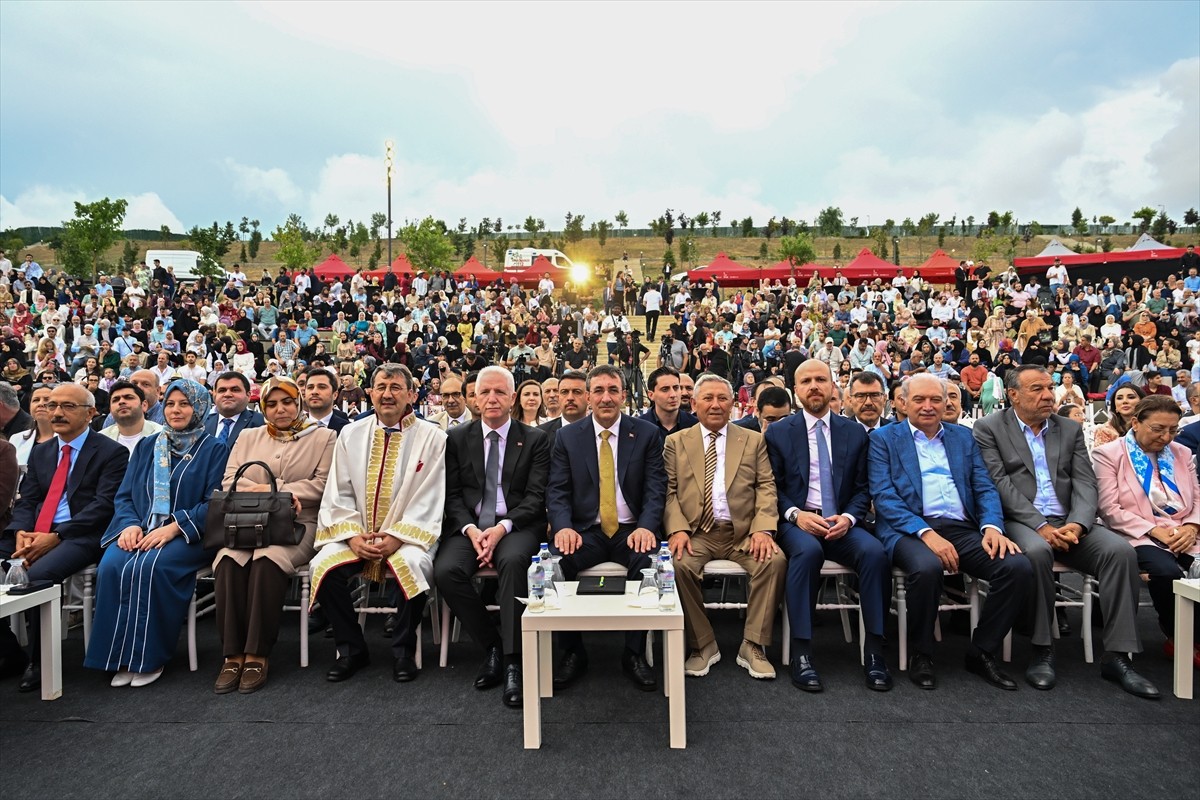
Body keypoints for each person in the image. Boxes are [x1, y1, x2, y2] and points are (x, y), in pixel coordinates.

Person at [973, 366, 1157, 697]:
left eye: (1049, 388)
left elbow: (1086, 481)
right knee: (1037, 552)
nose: (1048, 395)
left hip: (1069, 519)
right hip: (1021, 519)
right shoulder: (989, 428)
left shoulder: (1068, 429)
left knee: (1120, 553)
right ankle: (1042, 648)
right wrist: (1040, 526)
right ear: (1013, 395)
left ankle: (1118, 656)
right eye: (1037, 390)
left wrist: (1079, 522)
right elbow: (998, 483)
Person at [868, 374, 1033, 690]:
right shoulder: (884, 439)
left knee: (1016, 567)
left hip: (961, 527)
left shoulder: (962, 437)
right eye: (919, 400)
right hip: (908, 529)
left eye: (935, 400)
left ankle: (981, 650)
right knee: (927, 568)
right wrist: (926, 533)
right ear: (903, 402)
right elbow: (884, 495)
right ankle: (922, 652)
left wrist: (992, 527)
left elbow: (984, 486)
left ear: (947, 402)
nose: (928, 407)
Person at [84, 379, 227, 687]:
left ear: (199, 407)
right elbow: (124, 495)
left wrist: (175, 527)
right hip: (141, 528)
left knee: (153, 566)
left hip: (191, 534)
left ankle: (148, 658)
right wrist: (130, 524)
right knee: (112, 565)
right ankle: (117, 657)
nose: (176, 410)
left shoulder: (215, 448)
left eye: (185, 404)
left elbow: (215, 502)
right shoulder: (149, 444)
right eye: (172, 404)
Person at [310, 364, 447, 683]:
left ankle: (403, 650)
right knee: (323, 566)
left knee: (412, 565)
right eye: (381, 387)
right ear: (369, 393)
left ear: (412, 394)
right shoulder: (351, 433)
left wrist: (398, 537)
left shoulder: (433, 437)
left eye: (396, 387)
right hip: (355, 534)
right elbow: (338, 490)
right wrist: (353, 536)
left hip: (410, 536)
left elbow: (431, 493)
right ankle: (351, 648)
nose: (387, 394)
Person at [766, 361, 893, 692]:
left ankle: (875, 651)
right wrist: (795, 514)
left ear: (834, 386)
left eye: (820, 379)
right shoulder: (779, 432)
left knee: (875, 553)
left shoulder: (854, 432)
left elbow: (864, 486)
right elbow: (770, 487)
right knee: (806, 555)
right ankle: (802, 652)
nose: (814, 386)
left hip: (842, 521)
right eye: (805, 380)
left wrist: (849, 517)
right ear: (796, 390)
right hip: (799, 521)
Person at [0, 383, 130, 692]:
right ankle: (8, 651)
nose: (56, 412)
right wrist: (20, 532)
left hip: (82, 535)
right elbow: (27, 501)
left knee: (38, 575)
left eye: (68, 406)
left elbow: (104, 505)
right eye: (52, 405)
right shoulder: (43, 451)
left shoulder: (111, 452)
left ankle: (39, 661)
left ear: (90, 414)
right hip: (34, 532)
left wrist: (56, 536)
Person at [544, 364, 666, 690]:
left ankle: (634, 652)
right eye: (598, 391)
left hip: (631, 529)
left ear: (624, 396)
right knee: (555, 563)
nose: (606, 397)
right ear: (587, 397)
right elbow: (557, 490)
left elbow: (656, 489)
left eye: (613, 390)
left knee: (650, 563)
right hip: (587, 531)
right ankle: (572, 651)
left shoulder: (647, 434)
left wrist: (647, 527)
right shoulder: (567, 437)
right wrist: (563, 527)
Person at [435, 366, 551, 708]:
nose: (492, 399)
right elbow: (452, 495)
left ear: (513, 398)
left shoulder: (535, 439)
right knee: (446, 571)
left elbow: (535, 496)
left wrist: (501, 529)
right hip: (469, 527)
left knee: (514, 563)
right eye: (484, 392)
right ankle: (493, 646)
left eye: (500, 392)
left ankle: (514, 661)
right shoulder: (456, 439)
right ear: (474, 398)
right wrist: (472, 531)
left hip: (516, 525)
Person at [212, 377, 335, 694]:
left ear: (299, 403)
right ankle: (232, 654)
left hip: (297, 524)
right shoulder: (249, 435)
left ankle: (257, 653)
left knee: (268, 561)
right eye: (271, 403)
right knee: (228, 561)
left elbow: (321, 485)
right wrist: (270, 492)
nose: (280, 409)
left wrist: (270, 490)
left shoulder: (323, 437)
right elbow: (229, 483)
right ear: (262, 407)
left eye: (287, 402)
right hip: (246, 521)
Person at [663, 373, 783, 680]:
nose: (715, 405)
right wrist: (677, 529)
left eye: (722, 398)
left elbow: (766, 486)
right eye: (708, 398)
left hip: (742, 533)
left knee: (774, 561)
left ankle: (753, 645)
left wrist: (763, 529)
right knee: (677, 565)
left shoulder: (753, 440)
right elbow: (669, 491)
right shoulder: (676, 442)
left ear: (733, 403)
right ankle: (702, 644)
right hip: (697, 534)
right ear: (694, 403)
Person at [1094, 395, 1200, 669]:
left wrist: (1192, 525)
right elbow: (1109, 508)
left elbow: (1197, 498)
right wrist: (1154, 530)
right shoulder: (1110, 454)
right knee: (1166, 572)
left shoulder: (1182, 453)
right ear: (1135, 422)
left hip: (1184, 530)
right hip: (1136, 533)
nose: (1166, 437)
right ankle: (1179, 635)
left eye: (1173, 430)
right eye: (1158, 429)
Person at [639, 366, 697, 445]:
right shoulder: (639, 427)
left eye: (676, 388)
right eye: (665, 389)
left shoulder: (695, 426)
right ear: (651, 395)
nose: (673, 394)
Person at [100, 379, 162, 453]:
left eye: (129, 397)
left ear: (144, 405)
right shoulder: (100, 440)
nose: (121, 402)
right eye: (115, 400)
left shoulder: (161, 435)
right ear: (110, 411)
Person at [204, 372, 264, 447]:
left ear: (248, 396)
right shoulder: (203, 424)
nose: (227, 394)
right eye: (222, 390)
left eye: (235, 390)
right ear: (214, 396)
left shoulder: (262, 423)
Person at [1093, 383, 1145, 448]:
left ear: (1142, 402)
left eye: (1131, 397)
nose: (1125, 401)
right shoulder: (1105, 431)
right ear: (1115, 406)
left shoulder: (1150, 427)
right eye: (1119, 398)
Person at [539, 369, 588, 437]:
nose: (570, 398)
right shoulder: (541, 434)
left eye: (577, 392)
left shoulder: (601, 433)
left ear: (588, 397)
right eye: (564, 392)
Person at [302, 366, 350, 433]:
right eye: (310, 387)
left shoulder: (348, 429)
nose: (314, 392)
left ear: (335, 395)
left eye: (322, 387)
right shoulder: (292, 429)